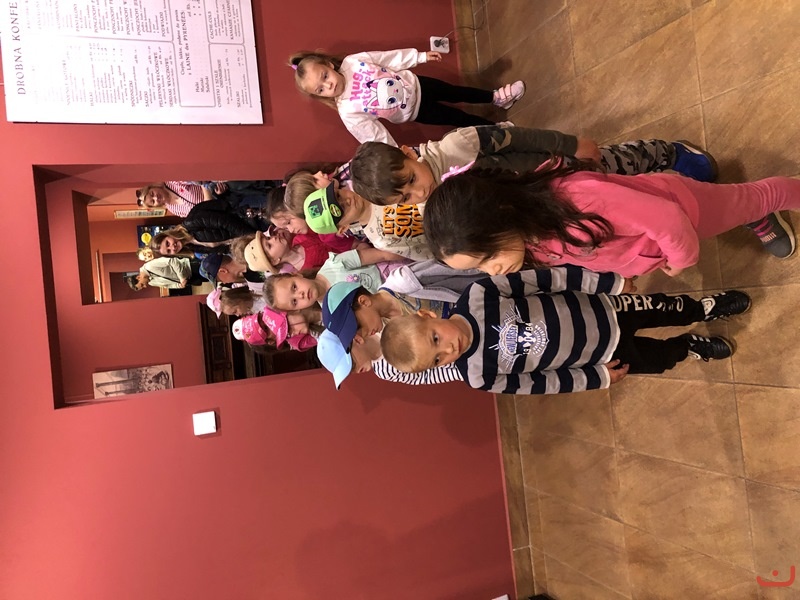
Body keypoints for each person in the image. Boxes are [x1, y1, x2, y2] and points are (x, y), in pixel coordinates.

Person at [380, 267, 752, 394]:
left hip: (607, 309)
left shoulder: (479, 295)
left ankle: (703, 308)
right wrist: (596, 378)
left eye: (436, 339)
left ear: (428, 315)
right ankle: (687, 346)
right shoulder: (478, 376)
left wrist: (609, 283)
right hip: (600, 356)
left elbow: (547, 279)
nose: (449, 350)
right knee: (659, 360)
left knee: (666, 308)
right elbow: (540, 383)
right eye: (438, 359)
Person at [423, 166, 800, 278]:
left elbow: (669, 219)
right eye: (480, 268)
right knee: (737, 211)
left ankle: (761, 210)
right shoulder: (528, 238)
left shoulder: (578, 199)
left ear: (501, 214)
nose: (493, 272)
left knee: (754, 198)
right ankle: (752, 215)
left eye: (488, 258)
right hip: (661, 237)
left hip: (687, 209)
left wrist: (681, 260)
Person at [349, 126, 718, 206]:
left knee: (618, 163)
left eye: (411, 180)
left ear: (409, 153)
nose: (419, 192)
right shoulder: (435, 205)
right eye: (405, 198)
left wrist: (571, 145)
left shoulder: (458, 145)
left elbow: (523, 138)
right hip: (545, 195)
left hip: (558, 163)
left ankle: (670, 152)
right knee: (618, 192)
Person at [289, 49, 524, 146]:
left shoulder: (353, 62)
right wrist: (395, 152)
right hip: (416, 111)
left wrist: (419, 56)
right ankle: (497, 129)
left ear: (329, 65)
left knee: (457, 92)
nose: (328, 85)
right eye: (321, 90)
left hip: (420, 84)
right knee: (458, 118)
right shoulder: (347, 111)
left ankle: (496, 97)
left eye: (325, 76)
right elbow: (374, 135)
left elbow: (388, 58)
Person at [302, 180, 432, 261]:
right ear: (343, 228)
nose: (347, 200)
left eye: (338, 195)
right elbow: (427, 253)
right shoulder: (381, 239)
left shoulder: (374, 182)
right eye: (340, 210)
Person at [237, 228, 359, 275]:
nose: (273, 238)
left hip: (354, 236)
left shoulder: (298, 238)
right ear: (274, 261)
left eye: (268, 238)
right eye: (269, 245)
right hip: (357, 258)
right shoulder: (306, 271)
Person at [136, 182, 213, 218]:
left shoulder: (172, 182)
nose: (156, 198)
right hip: (215, 209)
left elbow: (201, 180)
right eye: (153, 201)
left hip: (216, 191)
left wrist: (208, 201)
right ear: (155, 206)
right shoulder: (173, 210)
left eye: (152, 194)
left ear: (154, 187)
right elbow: (197, 216)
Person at [125, 256, 204, 290]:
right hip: (190, 278)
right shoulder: (151, 283)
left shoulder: (150, 266)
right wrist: (179, 286)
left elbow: (172, 261)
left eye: (142, 284)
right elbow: (167, 286)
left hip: (190, 266)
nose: (145, 286)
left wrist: (181, 277)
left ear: (138, 277)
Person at [149, 226, 227, 257]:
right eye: (169, 251)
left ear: (167, 234)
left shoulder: (190, 225)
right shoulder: (193, 249)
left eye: (168, 243)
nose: (172, 247)